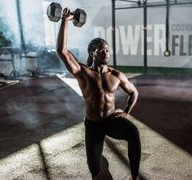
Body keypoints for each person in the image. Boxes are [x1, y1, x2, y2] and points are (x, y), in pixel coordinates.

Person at [57, 8, 141, 180]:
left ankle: (134, 176)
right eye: (101, 50)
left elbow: (134, 92)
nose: (105, 53)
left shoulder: (116, 75)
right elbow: (62, 51)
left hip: (111, 121)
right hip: (94, 125)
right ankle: (99, 159)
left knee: (133, 133)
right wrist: (65, 21)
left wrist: (126, 112)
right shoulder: (83, 72)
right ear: (92, 52)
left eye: (107, 50)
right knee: (95, 170)